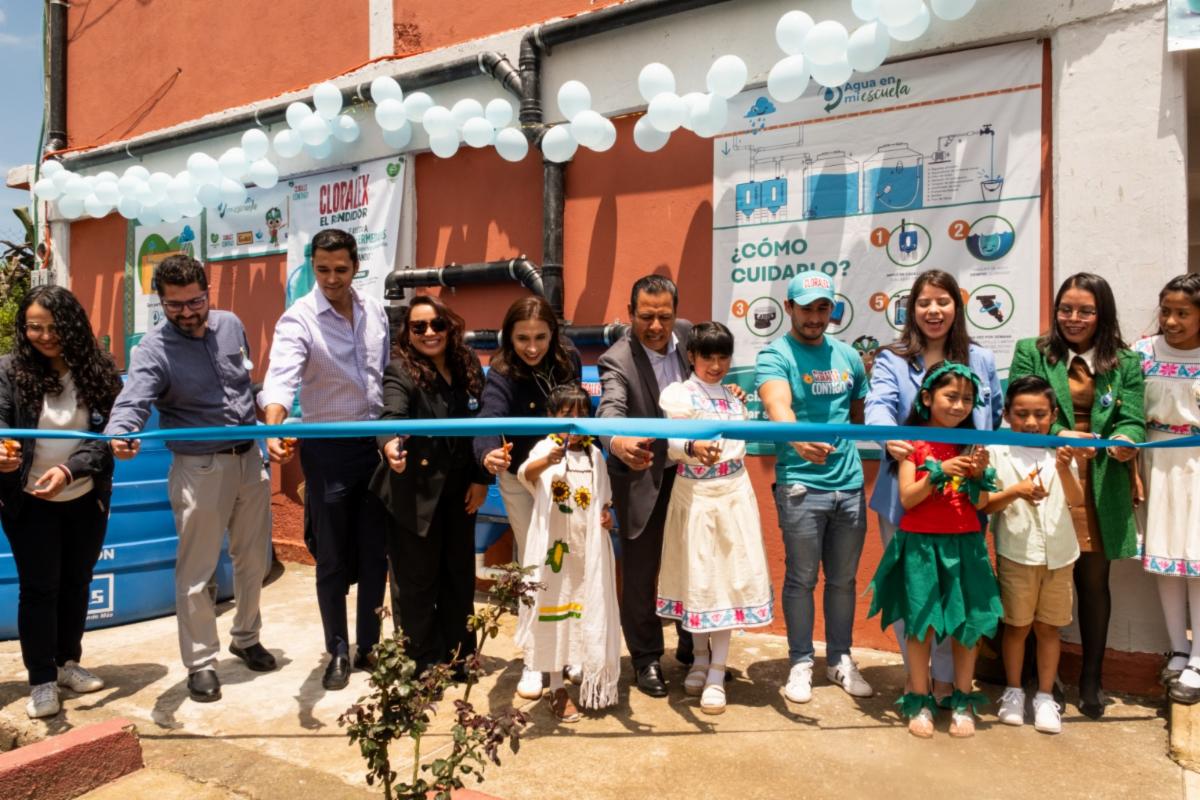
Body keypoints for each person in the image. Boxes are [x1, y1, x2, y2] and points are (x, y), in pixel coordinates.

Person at [106, 254, 275, 704]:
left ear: (208, 292)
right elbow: (132, 401)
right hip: (200, 468)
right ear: (161, 302)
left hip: (249, 459)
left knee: (253, 560)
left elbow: (246, 384)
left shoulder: (231, 325)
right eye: (174, 305)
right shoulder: (154, 349)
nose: (186, 312)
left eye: (194, 301)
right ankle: (201, 662)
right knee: (197, 572)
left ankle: (246, 636)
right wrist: (120, 434)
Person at [1009, 272, 1144, 719]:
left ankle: (1091, 677)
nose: (1073, 318)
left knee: (1092, 581)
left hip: (1100, 482)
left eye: (1085, 310)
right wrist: (1055, 432)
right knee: (1034, 572)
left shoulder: (1124, 361)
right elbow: (1017, 406)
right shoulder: (1033, 351)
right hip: (1045, 476)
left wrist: (1124, 441)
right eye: (1066, 308)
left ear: (1101, 313)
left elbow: (1135, 420)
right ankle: (1034, 676)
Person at [259, 228, 390, 691]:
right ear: (312, 267)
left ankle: (369, 645)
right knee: (332, 555)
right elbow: (280, 379)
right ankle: (337, 649)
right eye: (322, 270)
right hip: (328, 452)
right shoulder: (298, 320)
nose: (332, 279)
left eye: (341, 269)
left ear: (356, 267)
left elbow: (385, 374)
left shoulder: (375, 312)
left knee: (376, 554)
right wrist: (274, 427)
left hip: (376, 448)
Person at [865, 269, 1002, 699]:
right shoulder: (892, 359)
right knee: (915, 596)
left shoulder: (981, 359)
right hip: (907, 497)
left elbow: (993, 418)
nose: (933, 310)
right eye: (924, 302)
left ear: (956, 307)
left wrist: (979, 467)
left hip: (962, 503)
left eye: (942, 301)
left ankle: (947, 680)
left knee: (956, 592)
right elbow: (879, 406)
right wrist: (890, 438)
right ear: (912, 310)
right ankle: (918, 680)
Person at [0, 286, 123, 719]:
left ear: (74, 326)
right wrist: (3, 454)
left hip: (84, 495)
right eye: (35, 327)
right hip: (28, 500)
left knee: (77, 581)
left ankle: (67, 662)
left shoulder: (99, 371)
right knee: (39, 588)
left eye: (55, 327)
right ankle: (41, 681)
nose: (45, 336)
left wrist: (71, 471)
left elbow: (108, 436)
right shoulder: (9, 371)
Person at [756, 273, 872, 706]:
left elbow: (858, 414)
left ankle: (839, 659)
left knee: (842, 581)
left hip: (850, 485)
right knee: (802, 579)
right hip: (801, 487)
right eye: (807, 308)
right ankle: (801, 661)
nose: (815, 317)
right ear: (789, 308)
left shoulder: (848, 356)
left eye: (823, 308)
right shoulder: (776, 354)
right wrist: (796, 437)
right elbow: (776, 404)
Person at [369, 295, 491, 678]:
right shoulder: (400, 370)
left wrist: (480, 479)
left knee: (458, 576)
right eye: (418, 326)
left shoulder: (467, 363)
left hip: (460, 491)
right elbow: (392, 415)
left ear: (449, 326)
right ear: (407, 332)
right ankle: (421, 664)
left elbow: (485, 420)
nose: (429, 333)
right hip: (414, 491)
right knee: (416, 583)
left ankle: (457, 658)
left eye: (436, 324)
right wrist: (391, 444)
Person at [657, 322, 773, 715]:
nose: (717, 364)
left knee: (726, 581)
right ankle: (700, 659)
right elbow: (674, 443)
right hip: (694, 495)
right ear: (691, 356)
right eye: (708, 356)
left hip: (733, 496)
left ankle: (717, 672)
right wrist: (694, 446)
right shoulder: (678, 394)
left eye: (724, 356)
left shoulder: (735, 397)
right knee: (699, 580)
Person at [475, 296, 582, 700]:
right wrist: (487, 451)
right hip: (521, 479)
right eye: (522, 338)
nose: (532, 347)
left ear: (553, 334)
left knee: (569, 561)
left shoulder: (567, 358)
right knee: (534, 566)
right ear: (509, 336)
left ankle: (569, 651)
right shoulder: (501, 369)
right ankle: (536, 659)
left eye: (540, 337)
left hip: (564, 478)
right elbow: (490, 415)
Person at [597, 274, 695, 697]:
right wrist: (617, 442)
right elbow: (610, 409)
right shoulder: (616, 360)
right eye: (646, 317)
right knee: (641, 572)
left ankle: (696, 652)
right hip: (644, 476)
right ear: (630, 311)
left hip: (694, 476)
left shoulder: (691, 337)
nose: (656, 327)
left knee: (696, 564)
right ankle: (646, 659)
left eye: (665, 317)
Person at [514, 384, 620, 723]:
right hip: (553, 554)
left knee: (583, 611)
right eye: (566, 415)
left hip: (586, 554)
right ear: (551, 417)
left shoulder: (594, 454)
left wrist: (605, 512)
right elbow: (525, 475)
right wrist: (548, 460)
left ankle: (584, 671)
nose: (575, 422)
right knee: (553, 615)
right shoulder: (545, 448)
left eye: (581, 414)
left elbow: (604, 497)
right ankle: (556, 687)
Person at [984, 377, 1083, 735]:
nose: (1030, 422)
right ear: (1007, 415)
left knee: (1049, 627)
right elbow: (986, 504)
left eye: (1040, 414)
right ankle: (1013, 691)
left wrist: (1062, 469)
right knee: (1017, 627)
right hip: (1017, 554)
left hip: (1059, 555)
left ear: (1053, 415)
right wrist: (1017, 491)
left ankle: (1043, 695)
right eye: (1021, 414)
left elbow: (1076, 499)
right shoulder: (997, 451)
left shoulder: (1060, 451)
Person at [1134, 274, 1200, 704]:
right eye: (1167, 311)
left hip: (1196, 462)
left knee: (1197, 559)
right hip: (1155, 459)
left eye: (1183, 313)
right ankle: (1179, 647)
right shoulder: (1142, 353)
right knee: (1164, 558)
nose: (1172, 321)